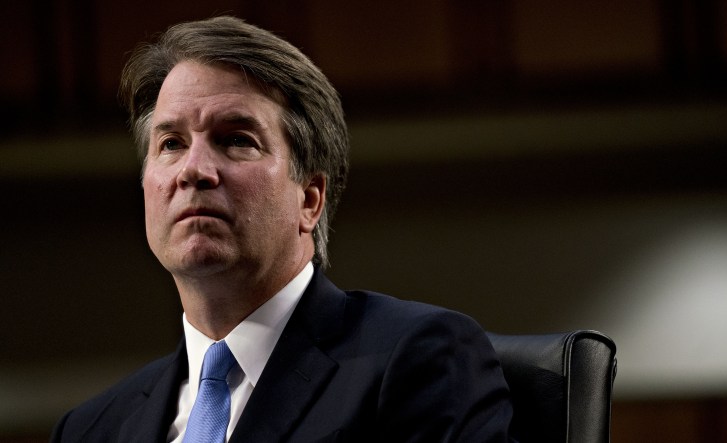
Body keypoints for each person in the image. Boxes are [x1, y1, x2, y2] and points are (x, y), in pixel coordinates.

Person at [50, 16, 513, 442]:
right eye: (171, 143)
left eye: (236, 140)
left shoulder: (417, 360)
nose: (193, 170)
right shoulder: (90, 430)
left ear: (309, 200)